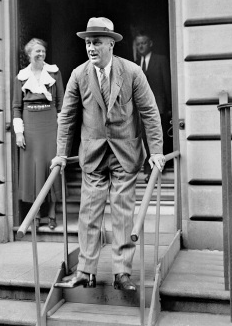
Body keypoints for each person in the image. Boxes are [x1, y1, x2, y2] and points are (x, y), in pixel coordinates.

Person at [50, 17, 165, 291]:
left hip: (126, 152)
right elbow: (67, 118)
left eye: (97, 42)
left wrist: (157, 151)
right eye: (88, 42)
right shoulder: (79, 75)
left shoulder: (133, 72)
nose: (91, 47)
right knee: (89, 213)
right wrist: (61, 154)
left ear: (111, 44)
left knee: (123, 214)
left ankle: (122, 273)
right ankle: (85, 271)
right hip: (93, 154)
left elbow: (149, 112)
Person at [13, 38, 64, 231]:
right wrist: (19, 132)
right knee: (33, 170)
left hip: (50, 123)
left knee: (51, 167)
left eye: (43, 51)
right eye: (37, 52)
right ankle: (34, 214)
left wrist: (61, 131)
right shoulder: (21, 77)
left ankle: (51, 214)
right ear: (29, 54)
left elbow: (61, 103)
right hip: (30, 125)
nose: (41, 54)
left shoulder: (54, 73)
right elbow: (16, 107)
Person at [133, 31, 171, 181]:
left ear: (150, 44)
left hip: (159, 108)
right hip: (139, 110)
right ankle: (149, 170)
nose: (140, 46)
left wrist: (169, 107)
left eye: (143, 43)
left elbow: (167, 84)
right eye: (138, 44)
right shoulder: (135, 64)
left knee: (157, 139)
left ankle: (156, 171)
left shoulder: (161, 60)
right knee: (144, 140)